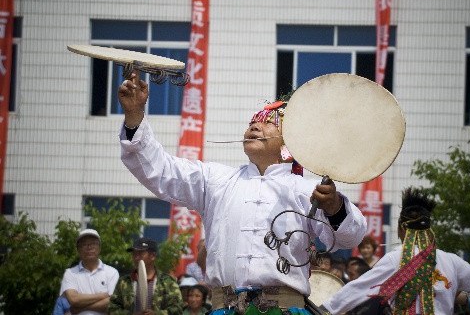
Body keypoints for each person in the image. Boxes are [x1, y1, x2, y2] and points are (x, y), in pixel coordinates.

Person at [117, 73, 367, 314]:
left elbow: (350, 238)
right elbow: (159, 171)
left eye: (268, 122)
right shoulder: (215, 180)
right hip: (223, 309)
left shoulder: (306, 190)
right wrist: (134, 115)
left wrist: (334, 206)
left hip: (282, 311)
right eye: (252, 123)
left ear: (288, 143)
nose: (255, 126)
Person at [322, 187, 470, 315]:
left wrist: (324, 309)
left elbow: (358, 289)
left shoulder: (394, 260)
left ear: (401, 230)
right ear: (430, 231)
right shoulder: (452, 262)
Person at [108, 237, 183, 315]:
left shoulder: (167, 281)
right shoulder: (124, 282)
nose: (136, 258)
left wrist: (156, 314)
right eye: (134, 254)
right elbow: (112, 309)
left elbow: (177, 310)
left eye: (140, 254)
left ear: (153, 256)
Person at [59, 229, 119, 315]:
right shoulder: (70, 273)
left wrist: (80, 309)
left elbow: (112, 303)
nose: (89, 247)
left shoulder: (112, 272)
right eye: (84, 244)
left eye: (93, 243)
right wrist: (103, 296)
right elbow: (73, 299)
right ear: (78, 249)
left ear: (99, 247)